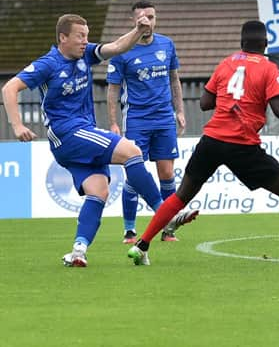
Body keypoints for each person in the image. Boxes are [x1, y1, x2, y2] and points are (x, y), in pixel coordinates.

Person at [126, 20, 279, 265]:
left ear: (241, 43)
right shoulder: (269, 68)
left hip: (212, 141)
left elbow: (205, 102)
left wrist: (230, 101)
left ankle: (142, 245)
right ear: (265, 44)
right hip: (242, 144)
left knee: (181, 196)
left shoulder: (227, 63)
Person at [1, 14, 194, 267]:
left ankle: (78, 251)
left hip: (79, 136)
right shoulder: (48, 63)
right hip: (68, 134)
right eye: (80, 36)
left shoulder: (86, 55)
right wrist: (17, 125)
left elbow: (116, 47)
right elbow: (9, 88)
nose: (85, 41)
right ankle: (165, 214)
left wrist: (137, 30)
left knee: (99, 192)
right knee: (132, 151)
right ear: (63, 37)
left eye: (87, 35)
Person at [107, 0, 190, 243]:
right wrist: (113, 122)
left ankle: (168, 229)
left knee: (166, 173)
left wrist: (180, 111)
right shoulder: (122, 50)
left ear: (155, 19)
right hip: (136, 119)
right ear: (133, 21)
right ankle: (130, 229)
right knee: (135, 173)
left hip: (164, 118)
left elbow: (174, 80)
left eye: (151, 17)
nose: (147, 22)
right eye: (142, 18)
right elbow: (112, 90)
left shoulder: (167, 44)